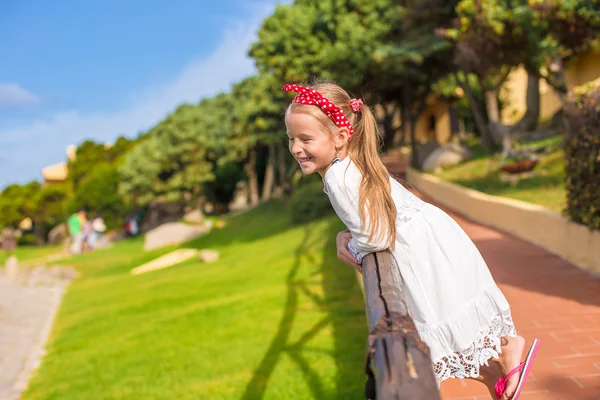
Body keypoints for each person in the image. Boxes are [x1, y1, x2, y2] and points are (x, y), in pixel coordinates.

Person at [282, 81, 540, 400]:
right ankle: (495, 376)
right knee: (442, 339)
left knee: (431, 340)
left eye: (305, 139)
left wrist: (348, 246)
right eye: (291, 138)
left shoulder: (337, 177)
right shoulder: (354, 164)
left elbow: (375, 235)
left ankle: (505, 352)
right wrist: (346, 234)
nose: (296, 148)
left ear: (339, 136)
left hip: (419, 255)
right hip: (431, 240)